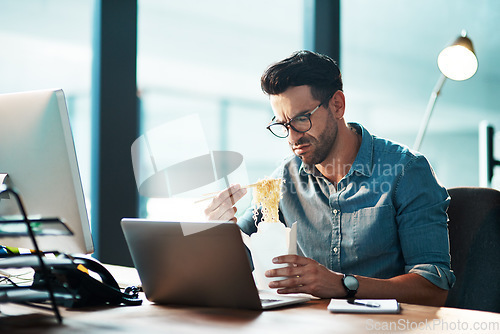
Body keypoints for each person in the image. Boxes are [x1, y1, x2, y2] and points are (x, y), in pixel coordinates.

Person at [204, 50, 455, 306]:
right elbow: (241, 250)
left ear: (337, 105)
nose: (292, 138)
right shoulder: (283, 178)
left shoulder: (406, 171)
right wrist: (219, 231)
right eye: (283, 125)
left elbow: (433, 287)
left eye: (301, 119)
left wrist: (341, 284)